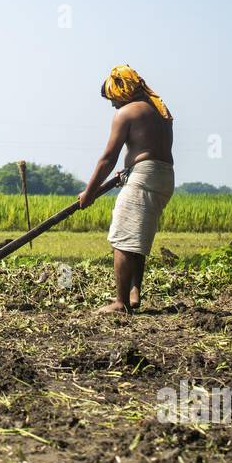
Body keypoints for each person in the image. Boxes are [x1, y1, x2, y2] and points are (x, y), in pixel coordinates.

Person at [77, 65, 175, 314]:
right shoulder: (160, 110)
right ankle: (134, 294)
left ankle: (119, 303)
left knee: (122, 238)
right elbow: (149, 150)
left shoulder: (127, 113)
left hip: (145, 177)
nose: (112, 105)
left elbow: (108, 158)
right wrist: (129, 170)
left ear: (122, 91)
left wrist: (89, 192)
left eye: (113, 98)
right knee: (137, 237)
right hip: (162, 176)